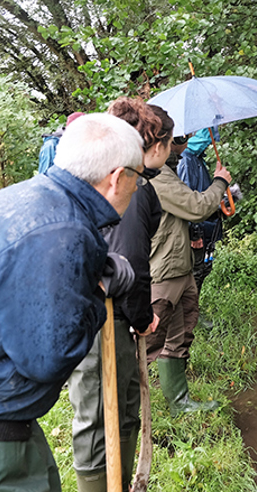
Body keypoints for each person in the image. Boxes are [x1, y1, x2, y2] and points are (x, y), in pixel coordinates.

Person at [0, 113, 144, 491]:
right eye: (137, 177)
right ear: (116, 177)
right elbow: (48, 357)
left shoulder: (31, 202)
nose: (137, 187)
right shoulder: (60, 229)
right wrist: (97, 294)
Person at [67, 98, 172, 492]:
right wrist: (143, 317)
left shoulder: (134, 184)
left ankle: (124, 483)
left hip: (115, 311)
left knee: (125, 406)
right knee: (96, 416)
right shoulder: (127, 183)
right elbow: (131, 261)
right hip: (100, 314)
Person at [146, 133, 232, 416]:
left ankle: (179, 403)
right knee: (150, 342)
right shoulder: (157, 177)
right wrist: (221, 181)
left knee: (179, 335)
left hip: (179, 265)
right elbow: (196, 207)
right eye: (174, 138)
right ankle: (126, 403)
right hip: (163, 269)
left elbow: (183, 212)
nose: (179, 142)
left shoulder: (168, 170)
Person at [177, 128, 242, 328]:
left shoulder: (197, 159)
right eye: (207, 133)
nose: (210, 139)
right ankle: (189, 318)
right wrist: (193, 232)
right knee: (196, 272)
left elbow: (204, 193)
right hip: (198, 231)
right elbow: (188, 201)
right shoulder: (186, 160)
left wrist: (225, 197)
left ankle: (193, 312)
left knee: (205, 269)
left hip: (208, 226)